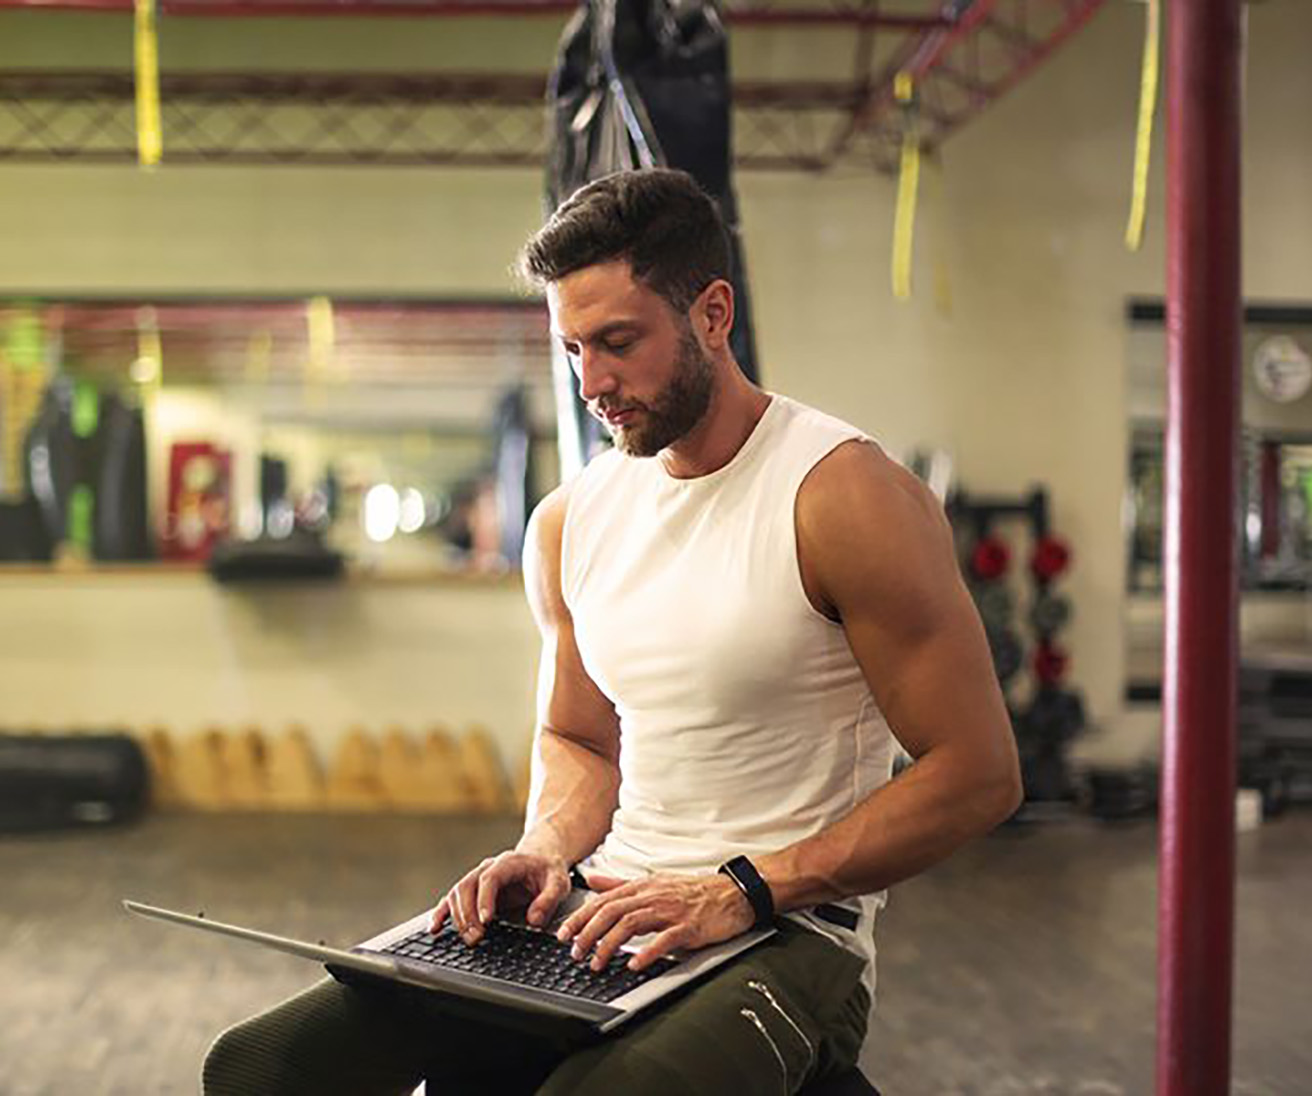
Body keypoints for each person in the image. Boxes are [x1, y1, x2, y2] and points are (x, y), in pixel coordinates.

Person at [202, 168, 1022, 1095]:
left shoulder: (842, 496)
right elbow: (579, 738)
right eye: (573, 349)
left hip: (786, 933)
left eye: (619, 342)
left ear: (712, 313)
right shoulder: (571, 519)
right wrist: (546, 847)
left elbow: (979, 773)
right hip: (603, 911)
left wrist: (740, 889)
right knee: (258, 1069)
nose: (592, 382)